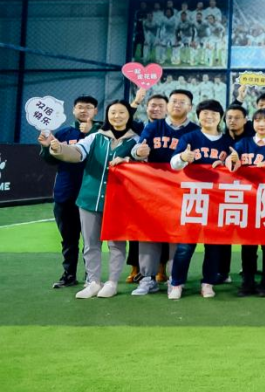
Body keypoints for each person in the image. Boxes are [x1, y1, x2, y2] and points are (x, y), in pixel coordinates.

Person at [41, 100, 139, 300]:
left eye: (122, 112)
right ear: (107, 115)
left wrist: (133, 158)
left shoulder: (136, 141)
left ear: (129, 116)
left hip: (119, 201)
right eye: (113, 112)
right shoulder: (95, 137)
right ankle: (93, 282)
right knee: (90, 243)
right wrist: (58, 148)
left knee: (116, 244)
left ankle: (112, 282)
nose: (117, 116)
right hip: (89, 199)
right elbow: (77, 153)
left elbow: (142, 163)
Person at [130, 89, 199, 295]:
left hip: (183, 191)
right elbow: (138, 150)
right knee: (148, 233)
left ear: (190, 107)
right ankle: (147, 278)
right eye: (174, 101)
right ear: (168, 105)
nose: (177, 105)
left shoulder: (195, 131)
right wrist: (138, 152)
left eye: (182, 102)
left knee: (177, 235)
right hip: (153, 189)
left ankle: (173, 279)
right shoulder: (154, 127)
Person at [167, 100, 234, 300]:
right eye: (205, 113)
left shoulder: (227, 141)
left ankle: (208, 283)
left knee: (213, 246)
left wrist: (228, 163)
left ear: (220, 117)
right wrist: (183, 157)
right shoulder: (189, 137)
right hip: (193, 198)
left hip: (218, 200)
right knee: (185, 246)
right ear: (198, 116)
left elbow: (235, 166)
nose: (209, 117)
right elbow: (173, 164)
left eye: (214, 113)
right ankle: (176, 283)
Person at [38, 94, 98, 289]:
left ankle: (92, 276)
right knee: (69, 238)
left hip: (92, 194)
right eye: (80, 107)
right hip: (65, 193)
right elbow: (50, 160)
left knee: (91, 240)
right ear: (73, 110)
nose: (84, 110)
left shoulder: (102, 133)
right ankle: (69, 274)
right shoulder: (63, 133)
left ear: (95, 111)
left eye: (88, 107)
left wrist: (93, 131)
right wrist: (46, 147)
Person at [226, 108, 265, 297]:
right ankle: (248, 282)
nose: (261, 124)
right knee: (248, 245)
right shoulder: (242, 143)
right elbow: (231, 166)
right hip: (247, 201)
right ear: (253, 123)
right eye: (258, 120)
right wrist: (231, 161)